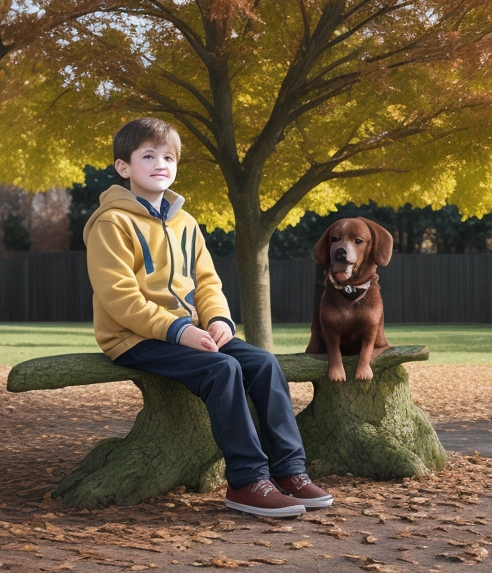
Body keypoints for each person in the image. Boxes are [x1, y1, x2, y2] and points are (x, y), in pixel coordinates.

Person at [84, 117, 333, 517]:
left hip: (190, 332)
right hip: (134, 337)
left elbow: (207, 282)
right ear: (124, 167)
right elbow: (119, 298)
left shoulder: (186, 222)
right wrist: (179, 330)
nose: (160, 163)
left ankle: (290, 472)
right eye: (148, 156)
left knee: (264, 363)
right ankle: (247, 482)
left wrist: (218, 320)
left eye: (168, 157)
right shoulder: (112, 223)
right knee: (222, 370)